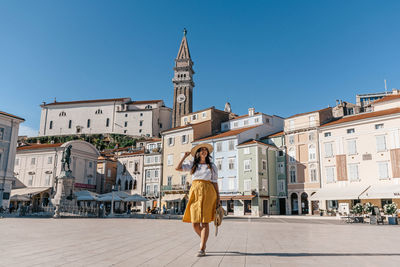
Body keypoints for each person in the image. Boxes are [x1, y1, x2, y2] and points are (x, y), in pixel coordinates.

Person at [176, 143, 220, 257]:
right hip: (195, 192)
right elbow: (178, 168)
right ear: (198, 153)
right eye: (202, 150)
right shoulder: (192, 165)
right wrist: (184, 157)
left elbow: (215, 182)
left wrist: (218, 198)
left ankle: (202, 247)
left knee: (205, 221)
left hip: (208, 192)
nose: (204, 151)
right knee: (195, 223)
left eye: (206, 150)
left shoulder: (212, 166)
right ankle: (204, 240)